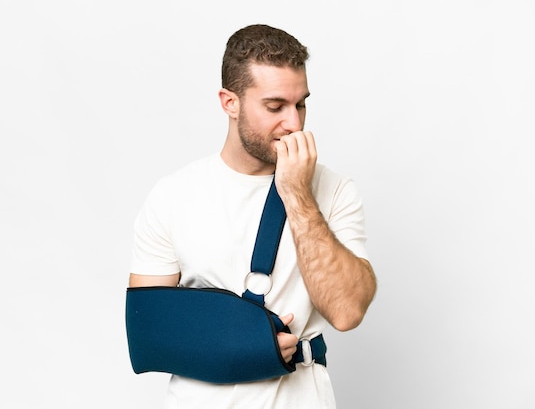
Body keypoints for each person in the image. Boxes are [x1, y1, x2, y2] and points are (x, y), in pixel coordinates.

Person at [128, 24, 377, 408]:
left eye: (301, 104)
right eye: (275, 107)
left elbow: (346, 312)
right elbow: (149, 332)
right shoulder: (174, 196)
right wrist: (248, 348)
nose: (294, 123)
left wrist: (297, 194)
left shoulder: (334, 190)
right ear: (230, 102)